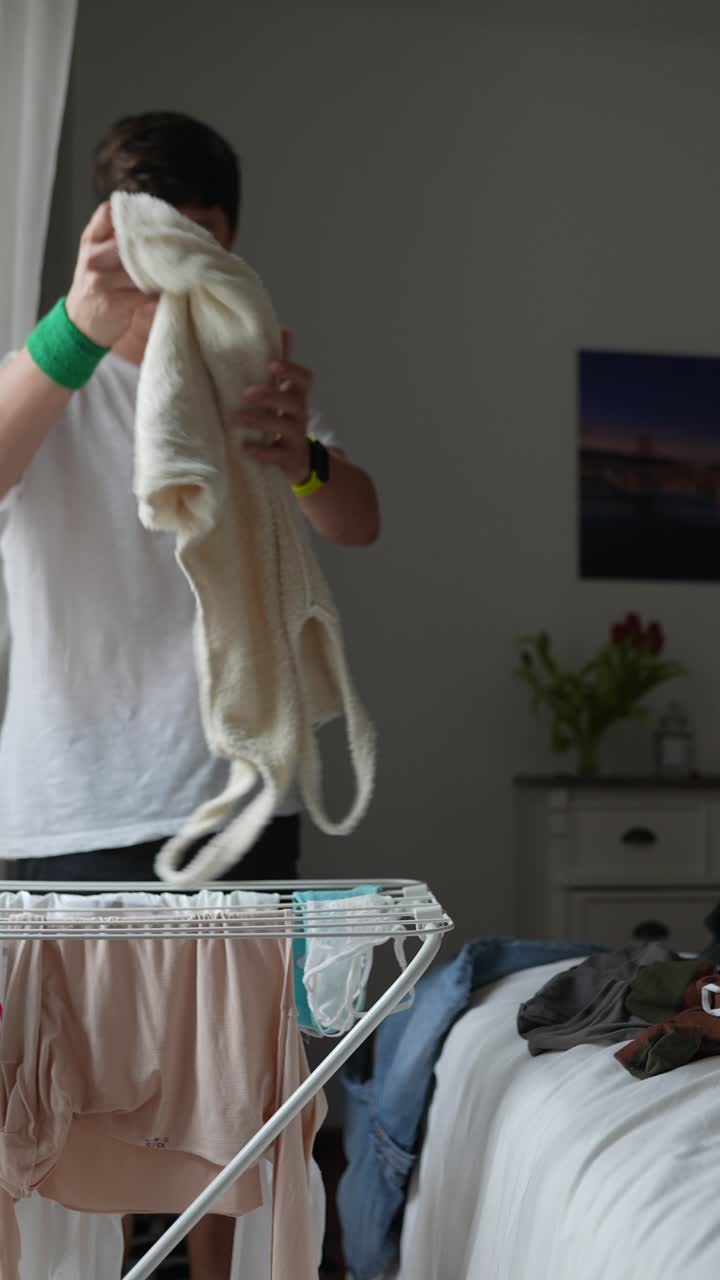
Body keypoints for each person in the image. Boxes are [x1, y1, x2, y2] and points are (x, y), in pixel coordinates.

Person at [0, 111, 380, 1278]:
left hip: (233, 789)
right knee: (47, 1114)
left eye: (209, 251)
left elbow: (357, 517)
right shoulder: (40, 377)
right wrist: (75, 330)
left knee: (227, 1129)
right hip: (69, 804)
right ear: (109, 235)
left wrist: (300, 456)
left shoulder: (244, 372)